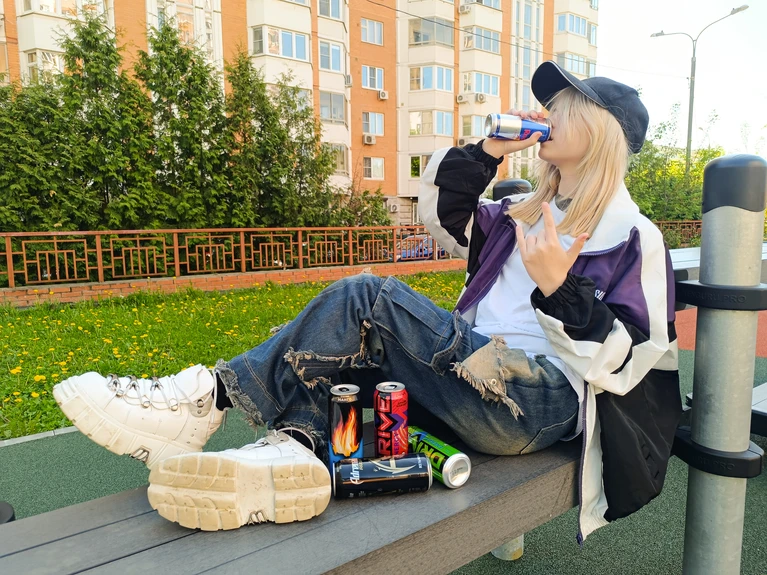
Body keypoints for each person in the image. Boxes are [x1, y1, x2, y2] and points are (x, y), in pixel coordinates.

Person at [52, 61, 681, 543]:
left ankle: (204, 400)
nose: (546, 113)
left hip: (539, 402)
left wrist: (559, 289)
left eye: (563, 106)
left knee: (368, 296)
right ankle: (290, 456)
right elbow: (445, 215)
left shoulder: (633, 236)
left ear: (601, 131)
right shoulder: (522, 213)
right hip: (475, 378)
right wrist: (488, 152)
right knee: (349, 363)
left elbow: (633, 363)